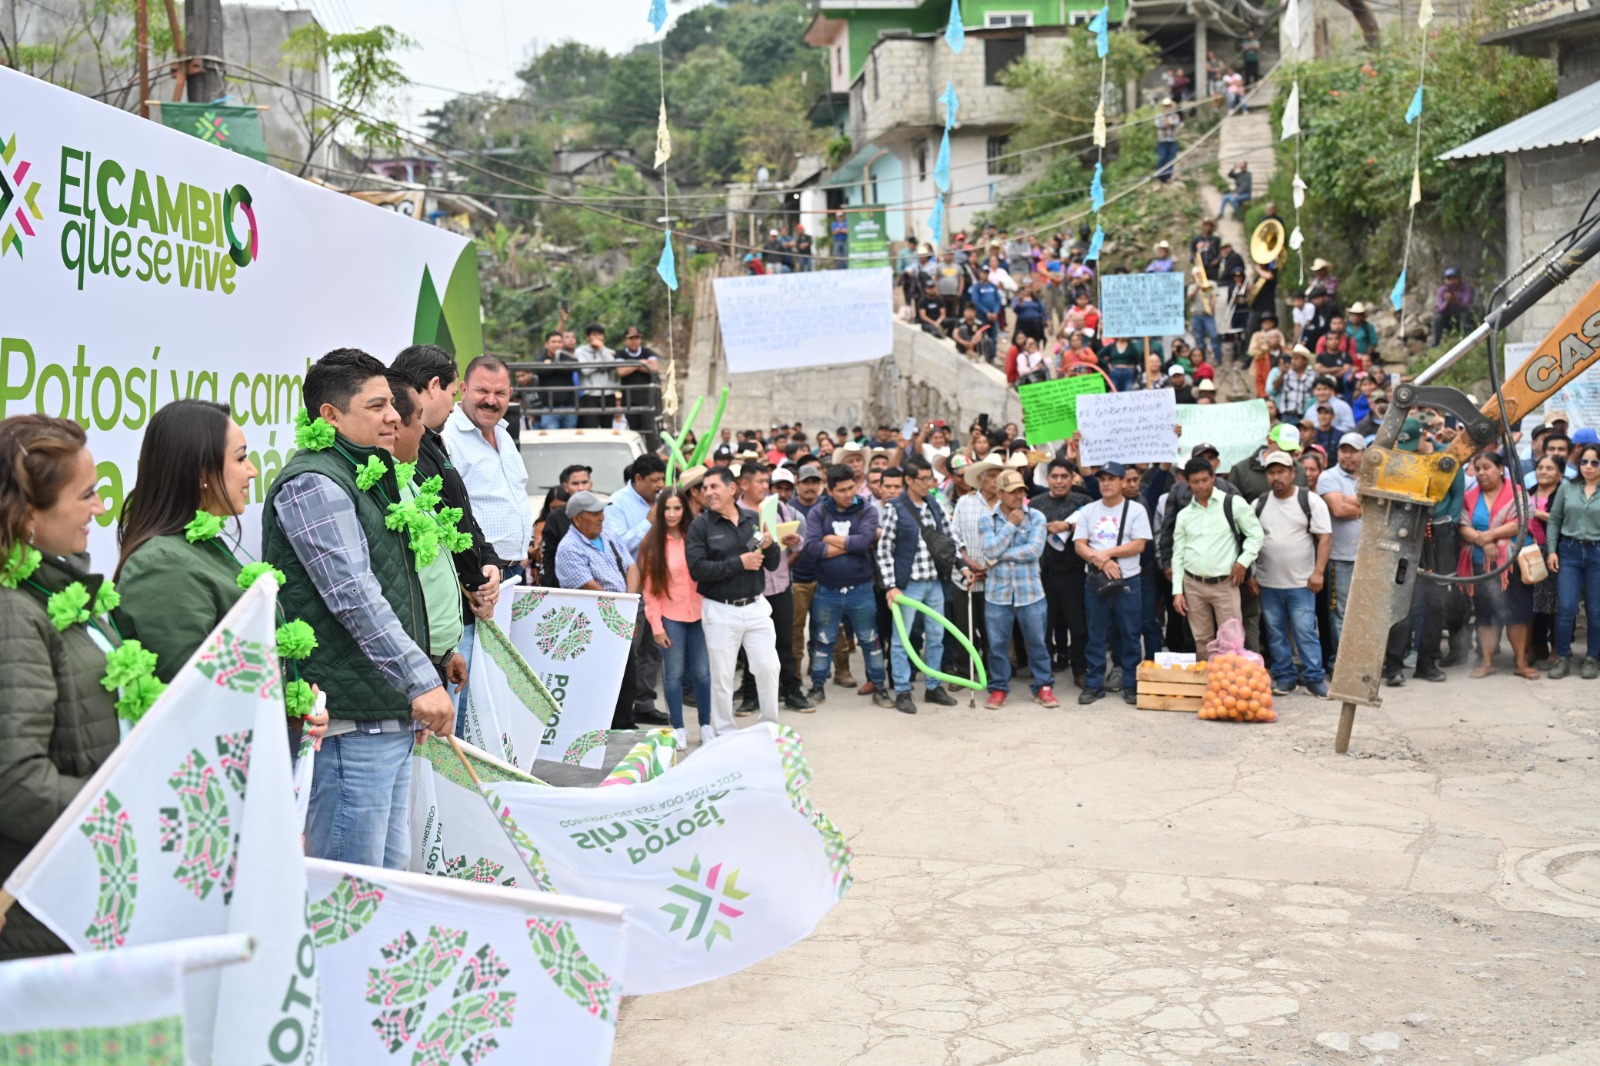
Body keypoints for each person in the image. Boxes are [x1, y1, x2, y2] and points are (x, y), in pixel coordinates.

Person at [263, 349, 460, 870]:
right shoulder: (314, 482)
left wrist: (415, 686)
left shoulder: (370, 473)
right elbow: (354, 596)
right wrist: (420, 681)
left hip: (386, 713)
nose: (394, 416)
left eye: (391, 404)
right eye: (376, 406)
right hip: (350, 726)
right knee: (351, 891)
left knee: (386, 884)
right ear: (330, 415)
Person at [0, 415, 120, 959]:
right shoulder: (12, 614)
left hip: (73, 893)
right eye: (87, 494)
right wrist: (123, 812)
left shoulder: (57, 591)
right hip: (40, 913)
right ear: (29, 514)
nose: (101, 507)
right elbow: (16, 785)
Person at [687, 468, 783, 736]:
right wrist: (740, 563)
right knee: (722, 677)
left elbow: (772, 563)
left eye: (714, 486)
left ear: (732, 489)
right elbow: (697, 569)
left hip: (756, 607)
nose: (708, 493)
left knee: (769, 667)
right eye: (705, 488)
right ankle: (724, 734)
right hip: (720, 610)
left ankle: (769, 727)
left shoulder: (753, 519)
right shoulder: (700, 526)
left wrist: (769, 545)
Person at [877, 454, 962, 713]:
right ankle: (903, 690)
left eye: (930, 479)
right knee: (902, 640)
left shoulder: (934, 504)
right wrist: (891, 586)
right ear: (909, 480)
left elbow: (949, 538)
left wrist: (962, 566)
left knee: (936, 637)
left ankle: (933, 686)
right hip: (908, 585)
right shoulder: (895, 508)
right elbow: (884, 549)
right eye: (923, 479)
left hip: (934, 582)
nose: (928, 484)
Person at [802, 464, 891, 705]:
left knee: (870, 640)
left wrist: (829, 538)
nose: (849, 494)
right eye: (842, 490)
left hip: (860, 589)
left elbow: (864, 543)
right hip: (827, 590)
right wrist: (851, 544)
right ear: (830, 490)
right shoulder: (819, 512)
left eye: (851, 487)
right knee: (823, 641)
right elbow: (812, 548)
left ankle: (879, 686)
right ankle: (817, 687)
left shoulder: (867, 510)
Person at [555, 490, 643, 729]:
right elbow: (590, 588)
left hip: (621, 613)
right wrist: (623, 610)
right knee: (603, 679)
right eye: (594, 513)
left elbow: (632, 567)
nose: (601, 517)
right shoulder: (569, 548)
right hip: (596, 623)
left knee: (627, 676)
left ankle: (624, 724)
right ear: (577, 519)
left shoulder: (609, 535)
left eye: (601, 511)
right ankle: (606, 728)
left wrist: (628, 603)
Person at [443, 355, 532, 582]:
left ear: (510, 394)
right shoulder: (447, 437)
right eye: (482, 391)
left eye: (499, 393)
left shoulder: (504, 434)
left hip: (514, 569)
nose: (491, 401)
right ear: (464, 389)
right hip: (480, 573)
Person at [1251, 452, 1332, 696]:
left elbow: (1325, 537)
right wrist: (1252, 574)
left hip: (1301, 583)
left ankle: (1314, 678)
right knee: (1275, 633)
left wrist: (1318, 572)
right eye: (1271, 472)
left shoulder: (1310, 501)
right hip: (1268, 583)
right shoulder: (1259, 504)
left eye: (1281, 472)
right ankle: (1285, 677)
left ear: (1293, 473)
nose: (1276, 477)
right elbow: (1250, 540)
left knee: (1305, 631)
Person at [734, 462, 812, 713]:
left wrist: (794, 540)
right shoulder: (735, 513)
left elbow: (796, 544)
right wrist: (762, 540)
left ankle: (791, 692)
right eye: (759, 482)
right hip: (752, 590)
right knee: (752, 647)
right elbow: (737, 548)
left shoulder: (778, 507)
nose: (764, 487)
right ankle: (751, 696)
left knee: (785, 643)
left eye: (765, 482)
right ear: (744, 484)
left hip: (781, 585)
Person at [638, 487, 713, 747]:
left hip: (700, 614)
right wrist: (657, 626)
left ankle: (706, 725)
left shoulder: (697, 536)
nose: (671, 514)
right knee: (673, 674)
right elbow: (650, 590)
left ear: (685, 509)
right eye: (667, 508)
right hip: (671, 617)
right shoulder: (651, 544)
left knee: (702, 673)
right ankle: (678, 728)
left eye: (677, 508)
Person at [1075, 463, 1152, 705]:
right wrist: (1100, 561)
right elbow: (1079, 544)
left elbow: (1139, 544)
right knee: (1096, 633)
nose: (1106, 483)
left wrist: (1107, 554)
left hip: (1128, 580)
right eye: (1102, 479)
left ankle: (1131, 684)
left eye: (1112, 478)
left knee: (1130, 633)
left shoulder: (1136, 510)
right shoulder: (1089, 510)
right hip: (1095, 580)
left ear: (1122, 482)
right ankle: (1094, 684)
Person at [1171, 458, 1263, 658]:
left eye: (1205, 480)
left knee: (1231, 640)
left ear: (1213, 477)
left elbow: (1256, 535)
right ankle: (1208, 676)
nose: (1201, 485)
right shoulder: (1184, 515)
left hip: (1225, 583)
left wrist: (1242, 562)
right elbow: (1178, 554)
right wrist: (1177, 591)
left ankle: (1231, 677)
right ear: (1187, 482)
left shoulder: (1232, 503)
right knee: (1201, 640)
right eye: (1195, 482)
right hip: (1193, 584)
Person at [981, 469, 1055, 709]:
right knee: (997, 646)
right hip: (997, 593)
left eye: (1021, 490)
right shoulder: (986, 519)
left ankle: (1044, 687)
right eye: (1013, 491)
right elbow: (989, 550)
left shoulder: (1037, 517)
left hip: (1030, 592)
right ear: (1000, 493)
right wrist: (1011, 526)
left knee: (1038, 643)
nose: (1018, 495)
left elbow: (1034, 551)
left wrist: (998, 556)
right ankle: (998, 688)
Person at [1459, 450, 1535, 679]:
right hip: (1481, 564)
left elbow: (1522, 521)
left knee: (1518, 613)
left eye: (1487, 467)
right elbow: (1462, 526)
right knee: (1485, 613)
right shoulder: (1470, 496)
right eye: (1477, 469)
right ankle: (1487, 661)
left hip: (1513, 563)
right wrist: (1482, 541)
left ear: (1500, 469)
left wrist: (1490, 536)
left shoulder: (1517, 493)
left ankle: (1520, 662)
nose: (1481, 473)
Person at [1033, 458, 1092, 688]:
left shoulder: (1084, 502)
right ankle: (1044, 673)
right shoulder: (1036, 504)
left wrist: (1067, 526)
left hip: (1074, 574)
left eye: (1064, 476)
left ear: (1072, 478)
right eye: (1054, 477)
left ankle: (1080, 670)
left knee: (1078, 626)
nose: (1059, 481)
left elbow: (1092, 530)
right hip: (1044, 575)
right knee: (1044, 627)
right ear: (1047, 479)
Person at [1545, 441, 1600, 679]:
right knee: (1566, 607)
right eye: (1584, 461)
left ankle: (1592, 658)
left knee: (1595, 609)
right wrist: (1551, 550)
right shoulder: (1568, 487)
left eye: (1595, 462)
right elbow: (1555, 519)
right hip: (1569, 551)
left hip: (1597, 552)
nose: (1588, 466)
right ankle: (1563, 657)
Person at [1318, 432, 1366, 658]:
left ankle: (1362, 660)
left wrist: (1351, 500)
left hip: (1368, 558)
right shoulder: (1329, 477)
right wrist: (1369, 505)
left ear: (1363, 454)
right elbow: (1338, 510)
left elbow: (1385, 506)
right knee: (1341, 613)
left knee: (1365, 613)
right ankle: (1342, 664)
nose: (1348, 456)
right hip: (1340, 558)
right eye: (1344, 451)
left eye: (1353, 451)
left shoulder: (1371, 477)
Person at [1528, 454, 1563, 667]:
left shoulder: (1563, 494)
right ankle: (1538, 647)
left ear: (1560, 474)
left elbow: (1565, 521)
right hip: (1530, 553)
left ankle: (1558, 648)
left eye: (1550, 468)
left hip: (1555, 552)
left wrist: (1539, 514)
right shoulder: (1528, 493)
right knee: (1534, 602)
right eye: (1540, 467)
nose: (1543, 472)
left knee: (1555, 603)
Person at [572, 322, 618, 427]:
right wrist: (602, 360)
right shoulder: (580, 351)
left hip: (608, 394)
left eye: (600, 334)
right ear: (588, 337)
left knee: (607, 428)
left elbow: (612, 365)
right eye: (594, 335)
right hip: (589, 395)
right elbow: (585, 370)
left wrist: (602, 349)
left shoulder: (608, 351)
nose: (597, 338)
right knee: (591, 427)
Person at [616, 326, 660, 433]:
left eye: (636, 338)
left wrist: (629, 365)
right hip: (629, 400)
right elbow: (621, 371)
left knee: (649, 429)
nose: (634, 341)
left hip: (647, 399)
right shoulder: (620, 353)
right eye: (631, 338)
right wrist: (640, 363)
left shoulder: (647, 352)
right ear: (625, 340)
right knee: (635, 431)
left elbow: (654, 369)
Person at [531, 330, 579, 429]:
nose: (557, 344)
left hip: (569, 407)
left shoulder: (567, 357)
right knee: (551, 436)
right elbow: (535, 370)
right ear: (546, 344)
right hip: (549, 409)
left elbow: (574, 366)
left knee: (570, 436)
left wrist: (550, 365)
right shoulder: (540, 359)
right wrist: (557, 366)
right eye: (553, 342)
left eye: (559, 342)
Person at [1430, 268, 1476, 347]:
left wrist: (1456, 301)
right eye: (1449, 279)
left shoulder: (1467, 289)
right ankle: (1436, 343)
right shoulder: (1442, 291)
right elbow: (1439, 309)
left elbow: (1468, 305)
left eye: (1454, 278)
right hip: (1449, 319)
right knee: (1437, 319)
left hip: (1463, 319)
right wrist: (1447, 302)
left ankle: (1465, 340)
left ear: (1459, 278)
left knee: (1465, 314)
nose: (1452, 281)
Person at [1154, 98, 1181, 183]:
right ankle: (1160, 176)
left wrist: (1167, 123)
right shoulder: (1159, 116)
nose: (1167, 108)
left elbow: (1173, 123)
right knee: (1162, 158)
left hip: (1172, 140)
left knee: (1171, 159)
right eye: (1165, 106)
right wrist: (1166, 122)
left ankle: (1168, 177)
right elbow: (1159, 125)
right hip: (1162, 141)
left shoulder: (1175, 116)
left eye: (1168, 106)